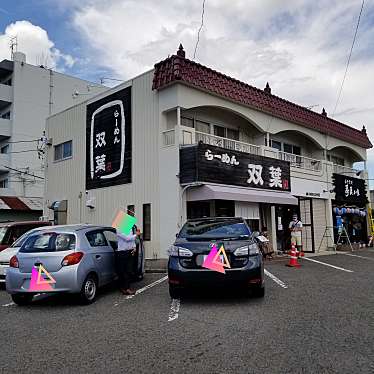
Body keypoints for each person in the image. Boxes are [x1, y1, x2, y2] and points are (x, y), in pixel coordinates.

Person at [116, 227, 141, 295]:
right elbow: (127, 238)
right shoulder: (119, 229)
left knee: (129, 270)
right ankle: (124, 288)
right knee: (122, 271)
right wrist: (136, 235)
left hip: (130, 251)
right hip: (122, 252)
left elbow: (131, 240)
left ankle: (126, 288)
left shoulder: (129, 228)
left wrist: (134, 247)